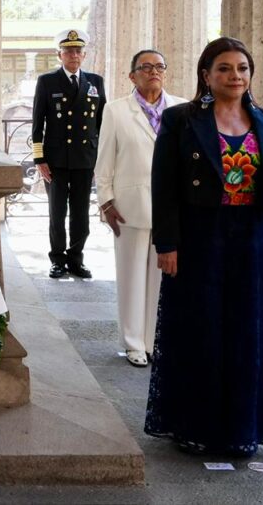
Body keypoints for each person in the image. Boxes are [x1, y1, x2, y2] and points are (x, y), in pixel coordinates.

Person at [145, 36, 263, 457]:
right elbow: (164, 188)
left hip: (253, 240)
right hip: (199, 239)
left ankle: (241, 430)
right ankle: (194, 427)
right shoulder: (181, 120)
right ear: (207, 75)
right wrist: (167, 244)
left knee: (247, 332)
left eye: (242, 68)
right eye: (225, 68)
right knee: (200, 329)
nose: (235, 76)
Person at [94, 49, 186, 367]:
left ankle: (154, 341)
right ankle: (133, 342)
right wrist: (106, 201)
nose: (153, 72)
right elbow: (104, 160)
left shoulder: (181, 109)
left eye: (159, 66)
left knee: (163, 279)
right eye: (146, 67)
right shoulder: (116, 111)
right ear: (132, 76)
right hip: (129, 206)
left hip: (171, 208)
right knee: (131, 277)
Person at [31, 29, 107, 279]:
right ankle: (57, 260)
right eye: (68, 51)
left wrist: (101, 159)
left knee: (81, 214)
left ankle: (76, 259)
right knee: (57, 213)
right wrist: (39, 159)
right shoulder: (47, 81)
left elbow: (102, 123)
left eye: (78, 51)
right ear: (59, 55)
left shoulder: (95, 82)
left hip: (85, 159)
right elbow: (37, 123)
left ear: (84, 55)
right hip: (56, 160)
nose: (74, 55)